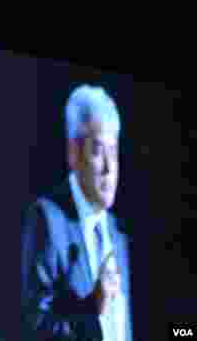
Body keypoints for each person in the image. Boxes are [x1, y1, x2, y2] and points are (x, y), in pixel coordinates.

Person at [21, 84, 132, 340]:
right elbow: (34, 329)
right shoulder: (47, 219)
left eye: (113, 153)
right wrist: (91, 308)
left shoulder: (117, 232)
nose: (108, 169)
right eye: (97, 151)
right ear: (74, 153)